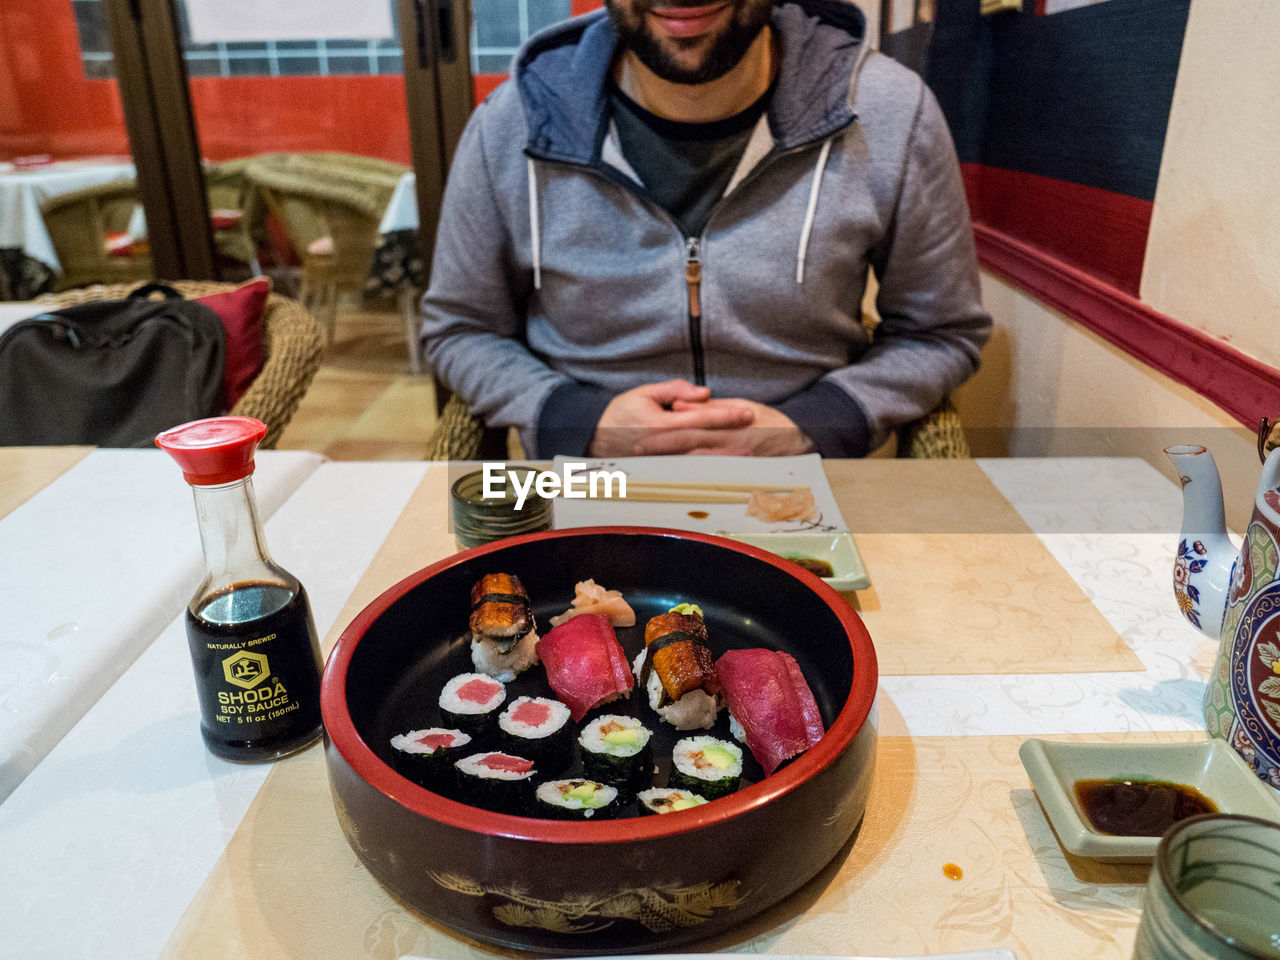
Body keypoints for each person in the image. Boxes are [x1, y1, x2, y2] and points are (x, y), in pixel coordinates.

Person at [421, 0, 991, 458]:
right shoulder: (511, 122)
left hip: (807, 481)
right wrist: (573, 418)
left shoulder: (893, 112)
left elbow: (940, 332)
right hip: (586, 480)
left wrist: (814, 425)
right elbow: (460, 328)